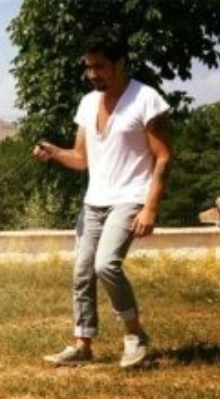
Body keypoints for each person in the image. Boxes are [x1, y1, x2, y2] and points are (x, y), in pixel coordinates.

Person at [33, 27, 172, 368]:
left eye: (99, 67)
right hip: (94, 200)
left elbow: (164, 156)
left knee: (105, 264)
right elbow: (81, 159)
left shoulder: (146, 99)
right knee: (82, 271)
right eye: (88, 67)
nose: (92, 74)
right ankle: (83, 345)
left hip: (131, 197)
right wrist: (53, 152)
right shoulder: (88, 102)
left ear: (120, 62)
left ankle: (135, 335)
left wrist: (151, 207)